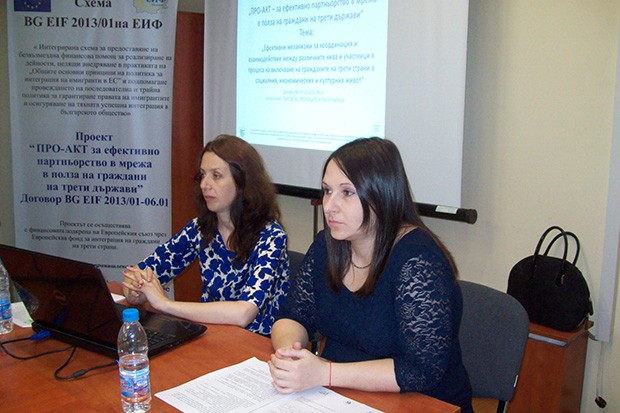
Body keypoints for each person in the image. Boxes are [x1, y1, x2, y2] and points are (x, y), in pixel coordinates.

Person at [268, 137, 473, 412]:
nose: (329, 206)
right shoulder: (326, 246)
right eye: (327, 191)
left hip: (421, 403)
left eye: (347, 192)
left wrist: (326, 373)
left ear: (381, 195)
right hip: (339, 395)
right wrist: (288, 355)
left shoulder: (418, 260)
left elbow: (421, 371)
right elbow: (293, 315)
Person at [122, 134, 289, 336]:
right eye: (202, 175)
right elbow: (141, 272)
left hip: (255, 344)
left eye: (216, 176)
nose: (204, 184)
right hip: (211, 337)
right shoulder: (200, 228)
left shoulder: (271, 237)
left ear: (243, 183)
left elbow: (243, 313)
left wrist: (165, 304)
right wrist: (135, 290)